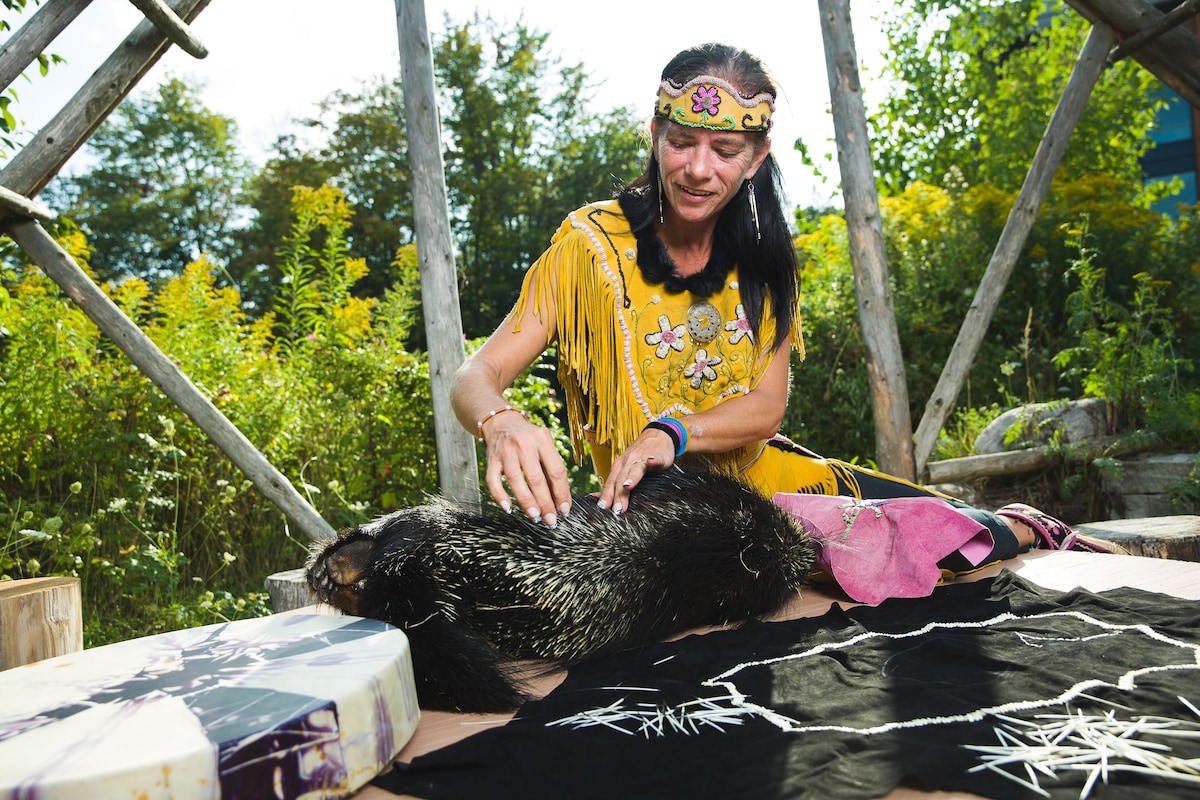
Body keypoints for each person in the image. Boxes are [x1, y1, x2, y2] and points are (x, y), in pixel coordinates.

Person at [450, 42, 1109, 575]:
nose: (698, 169)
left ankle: (1025, 523)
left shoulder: (764, 260)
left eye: (725, 150)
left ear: (757, 157)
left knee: (954, 535)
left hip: (778, 488)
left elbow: (765, 409)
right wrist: (502, 422)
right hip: (656, 516)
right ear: (655, 134)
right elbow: (473, 378)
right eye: (681, 141)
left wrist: (671, 431)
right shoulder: (587, 249)